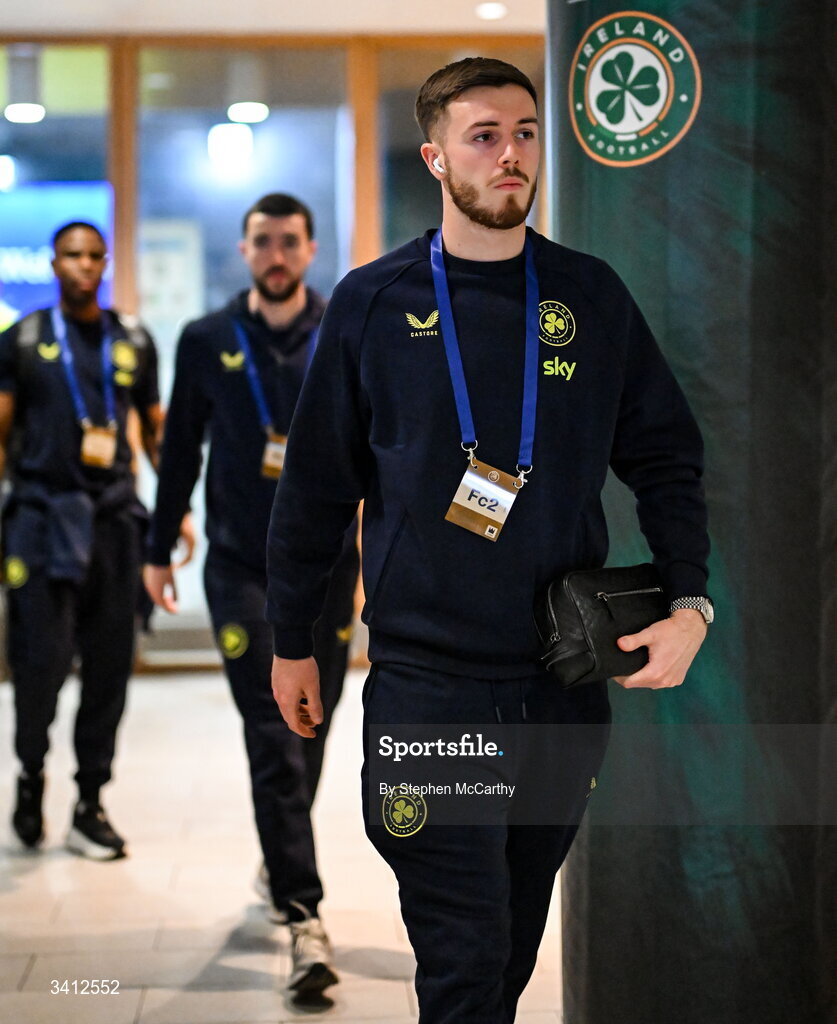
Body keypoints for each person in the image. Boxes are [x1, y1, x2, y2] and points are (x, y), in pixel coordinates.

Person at [265, 57, 713, 1023]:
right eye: (483, 136)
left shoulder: (590, 298)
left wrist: (690, 600)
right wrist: (291, 639)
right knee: (462, 953)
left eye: (523, 133)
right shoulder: (374, 304)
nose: (510, 155)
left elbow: (667, 456)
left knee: (508, 947)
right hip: (430, 686)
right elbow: (313, 490)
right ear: (435, 157)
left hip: (561, 686)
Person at [143, 193, 359, 997]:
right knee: (272, 728)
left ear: (308, 250)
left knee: (312, 723)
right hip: (239, 567)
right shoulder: (206, 340)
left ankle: (280, 857)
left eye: (289, 243)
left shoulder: (343, 328)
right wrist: (157, 546)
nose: (276, 255)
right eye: (262, 242)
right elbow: (176, 455)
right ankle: (305, 914)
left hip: (328, 569)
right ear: (243, 252)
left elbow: (372, 448)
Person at [0, 221, 185, 860]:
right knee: (40, 668)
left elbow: (156, 432)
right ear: (53, 264)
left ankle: (89, 800)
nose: (84, 266)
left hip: (114, 522)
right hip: (41, 519)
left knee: (109, 669)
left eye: (94, 256)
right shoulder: (22, 340)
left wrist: (177, 510)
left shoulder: (132, 339)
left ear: (105, 263)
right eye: (72, 256)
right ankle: (29, 777)